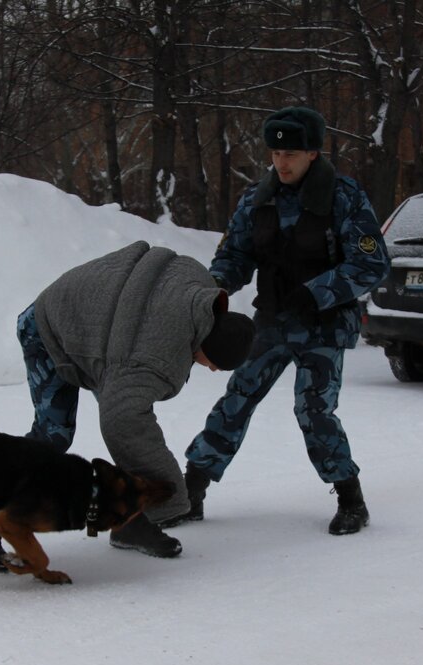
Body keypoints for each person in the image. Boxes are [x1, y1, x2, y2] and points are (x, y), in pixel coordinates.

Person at [0, 240, 255, 565]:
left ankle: (130, 525)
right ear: (207, 340)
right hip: (46, 329)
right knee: (54, 438)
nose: (209, 369)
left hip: (107, 333)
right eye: (212, 361)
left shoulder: (199, 296)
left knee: (130, 426)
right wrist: (171, 492)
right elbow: (124, 418)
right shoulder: (155, 351)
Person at [170, 106, 390, 535]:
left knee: (313, 409)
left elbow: (372, 264)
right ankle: (190, 491)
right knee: (237, 399)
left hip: (324, 324)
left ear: (311, 153)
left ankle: (350, 498)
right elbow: (234, 256)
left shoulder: (343, 196)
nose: (282, 162)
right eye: (275, 152)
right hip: (272, 321)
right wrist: (211, 292)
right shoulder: (257, 197)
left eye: (291, 153)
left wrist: (317, 292)